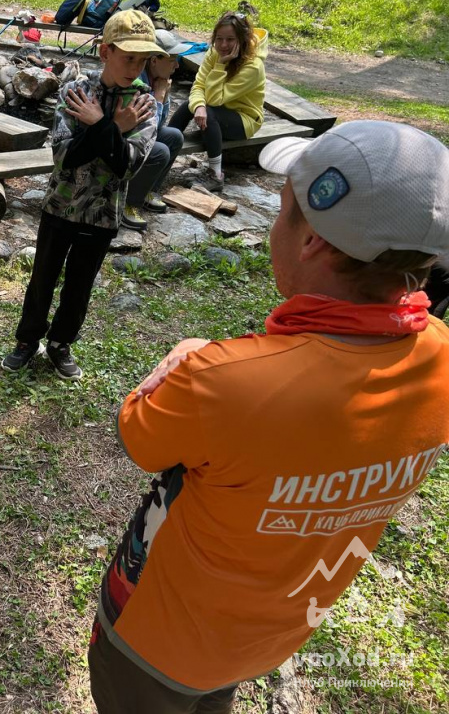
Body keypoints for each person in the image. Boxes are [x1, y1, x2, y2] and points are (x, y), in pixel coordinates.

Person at [90, 120, 449, 713]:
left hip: (157, 636)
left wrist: (181, 361)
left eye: (283, 212)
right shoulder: (438, 354)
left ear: (312, 242)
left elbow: (139, 436)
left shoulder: (224, 379)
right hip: (269, 637)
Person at [1, 9, 161, 380]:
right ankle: (27, 340)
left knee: (80, 284)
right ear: (105, 52)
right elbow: (64, 157)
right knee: (43, 277)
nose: (135, 67)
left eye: (143, 60)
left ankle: (61, 343)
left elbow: (127, 166)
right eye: (128, 57)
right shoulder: (75, 92)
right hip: (61, 205)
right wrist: (113, 129)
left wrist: (100, 124)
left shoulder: (145, 105)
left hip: (103, 213)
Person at [167, 11, 268, 192]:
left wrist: (221, 65)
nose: (223, 45)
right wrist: (198, 106)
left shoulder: (253, 67)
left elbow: (214, 99)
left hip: (245, 120)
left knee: (210, 112)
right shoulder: (214, 52)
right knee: (188, 106)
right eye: (219, 38)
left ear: (242, 39)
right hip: (219, 109)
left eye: (230, 40)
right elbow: (198, 86)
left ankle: (215, 175)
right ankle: (163, 149)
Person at [121, 29, 194, 230]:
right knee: (160, 152)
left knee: (174, 136)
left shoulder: (158, 79)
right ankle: (128, 203)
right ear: (154, 60)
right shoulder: (139, 81)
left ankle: (148, 190)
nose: (177, 65)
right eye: (173, 59)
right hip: (125, 136)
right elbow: (146, 131)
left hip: (140, 132)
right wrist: (159, 98)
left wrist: (163, 96)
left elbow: (159, 126)